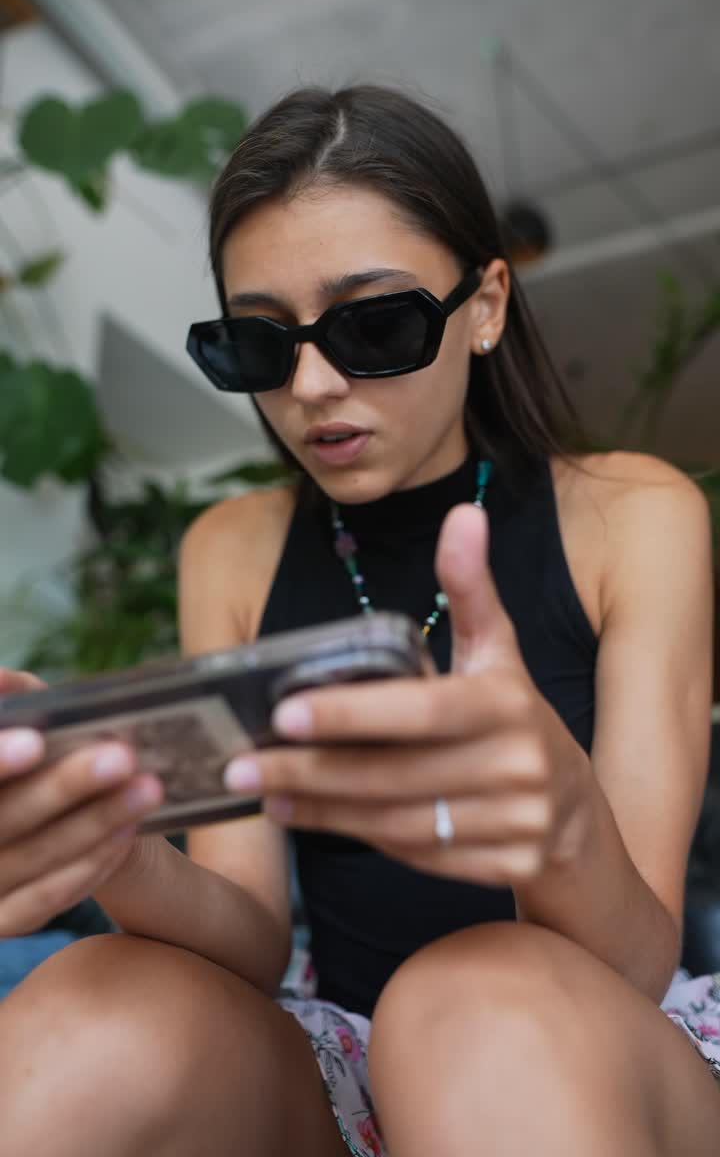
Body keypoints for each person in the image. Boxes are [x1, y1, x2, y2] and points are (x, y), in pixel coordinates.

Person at [0, 84, 718, 1157]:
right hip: (340, 1051)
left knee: (467, 1001)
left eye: (374, 322)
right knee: (96, 998)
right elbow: (248, 933)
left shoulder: (633, 516)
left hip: (595, 1032)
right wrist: (120, 851)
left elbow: (636, 963)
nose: (314, 384)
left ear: (484, 305)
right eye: (260, 343)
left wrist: (563, 818)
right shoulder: (230, 549)